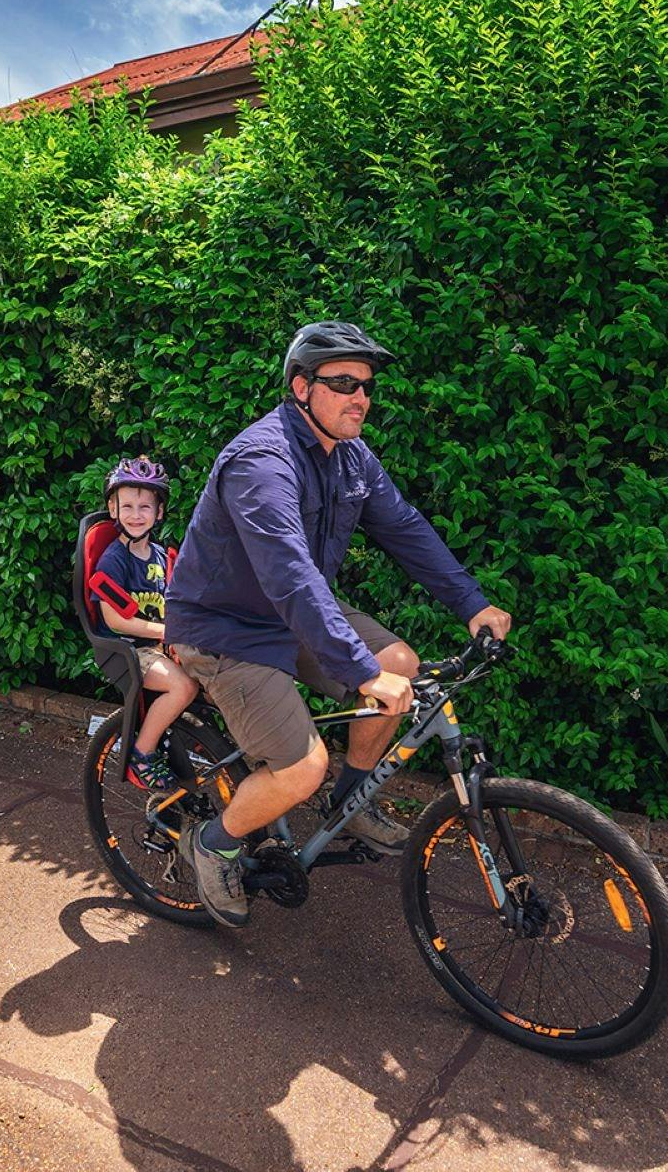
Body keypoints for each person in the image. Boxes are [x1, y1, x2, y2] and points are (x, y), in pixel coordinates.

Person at [164, 321, 513, 927]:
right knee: (302, 765)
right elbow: (291, 575)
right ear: (301, 388)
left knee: (399, 664)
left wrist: (471, 603)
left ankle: (347, 801)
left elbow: (404, 529)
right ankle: (211, 844)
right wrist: (359, 672)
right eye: (344, 383)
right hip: (227, 630)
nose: (362, 398)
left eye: (367, 386)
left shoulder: (351, 458)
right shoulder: (261, 462)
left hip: (296, 613)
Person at [88, 456, 200, 791]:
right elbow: (116, 620)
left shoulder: (158, 556)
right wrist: (167, 632)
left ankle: (195, 737)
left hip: (158, 646)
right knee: (183, 687)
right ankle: (142, 753)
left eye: (145, 507)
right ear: (113, 509)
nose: (136, 515)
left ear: (159, 512)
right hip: (130, 650)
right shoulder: (114, 560)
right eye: (128, 506)